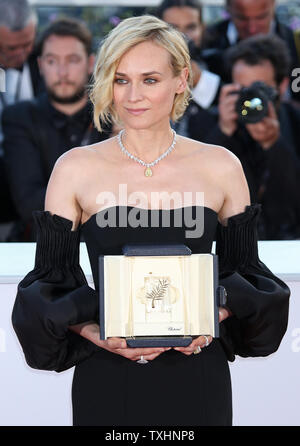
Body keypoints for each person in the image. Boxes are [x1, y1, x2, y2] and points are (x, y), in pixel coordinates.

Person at [11, 15, 290, 426]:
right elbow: (51, 283)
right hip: (108, 375)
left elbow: (244, 274)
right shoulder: (74, 168)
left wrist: (215, 317)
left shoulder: (221, 166)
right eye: (121, 79)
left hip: (197, 373)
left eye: (150, 80)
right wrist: (93, 333)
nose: (132, 95)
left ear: (181, 80)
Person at [2, 18, 111, 241]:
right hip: (36, 247)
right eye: (52, 61)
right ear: (41, 65)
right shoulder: (19, 117)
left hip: (105, 245)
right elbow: (29, 204)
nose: (62, 72)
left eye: (72, 60)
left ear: (91, 63)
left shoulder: (113, 116)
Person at [204, 34, 300, 240]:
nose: (252, 100)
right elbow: (203, 198)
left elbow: (293, 203)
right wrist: (222, 132)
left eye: (260, 89)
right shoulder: (216, 124)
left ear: (282, 86)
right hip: (233, 244)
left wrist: (274, 145)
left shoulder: (295, 120)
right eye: (245, 90)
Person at [0, 0, 44, 240]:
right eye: (9, 48)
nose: (19, 53)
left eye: (26, 44)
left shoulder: (46, 58)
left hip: (37, 178)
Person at [201, 0, 300, 102]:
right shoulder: (206, 42)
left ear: (273, 5)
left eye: (261, 17)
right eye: (242, 18)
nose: (252, 28)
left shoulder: (295, 42)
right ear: (228, 8)